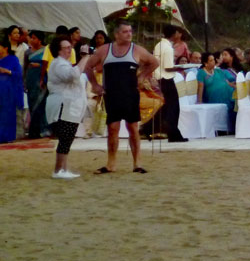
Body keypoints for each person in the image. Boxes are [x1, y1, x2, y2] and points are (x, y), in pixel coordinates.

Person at [83, 21, 158, 174]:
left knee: (133, 128)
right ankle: (111, 164)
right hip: (112, 94)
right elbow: (87, 67)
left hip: (130, 94)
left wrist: (142, 75)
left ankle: (137, 163)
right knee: (113, 128)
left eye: (130, 31)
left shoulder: (136, 50)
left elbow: (154, 62)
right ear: (117, 34)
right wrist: (95, 86)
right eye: (125, 31)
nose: (129, 34)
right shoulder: (105, 50)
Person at [43, 36, 90, 177]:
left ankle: (63, 168)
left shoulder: (65, 64)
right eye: (67, 47)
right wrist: (85, 58)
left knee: (67, 138)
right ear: (59, 50)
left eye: (71, 47)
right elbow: (73, 75)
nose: (70, 50)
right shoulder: (59, 64)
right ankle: (58, 170)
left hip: (69, 106)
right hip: (63, 106)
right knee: (65, 137)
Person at [150, 25, 188, 143]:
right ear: (174, 34)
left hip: (160, 78)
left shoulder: (158, 45)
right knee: (173, 107)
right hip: (167, 79)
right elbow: (168, 67)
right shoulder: (168, 48)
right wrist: (181, 68)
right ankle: (173, 133)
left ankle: (150, 128)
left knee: (166, 107)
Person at [196, 51, 236, 132]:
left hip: (226, 92)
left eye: (214, 59)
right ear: (205, 63)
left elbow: (228, 83)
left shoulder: (218, 71)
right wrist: (199, 102)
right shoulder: (201, 73)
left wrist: (236, 87)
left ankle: (232, 127)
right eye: (211, 60)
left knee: (234, 98)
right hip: (212, 96)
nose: (214, 61)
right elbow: (200, 88)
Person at [23, 31, 47, 138]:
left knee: (41, 103)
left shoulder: (47, 50)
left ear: (40, 40)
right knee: (32, 103)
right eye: (31, 38)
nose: (32, 40)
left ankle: (43, 129)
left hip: (42, 79)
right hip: (31, 79)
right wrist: (24, 81)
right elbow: (25, 67)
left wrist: (40, 65)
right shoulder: (28, 52)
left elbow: (49, 64)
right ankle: (34, 130)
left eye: (34, 38)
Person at [0, 37, 22, 143]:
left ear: (5, 48)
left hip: (8, 92)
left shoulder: (13, 59)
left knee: (7, 114)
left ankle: (7, 137)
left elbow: (18, 74)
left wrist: (7, 71)